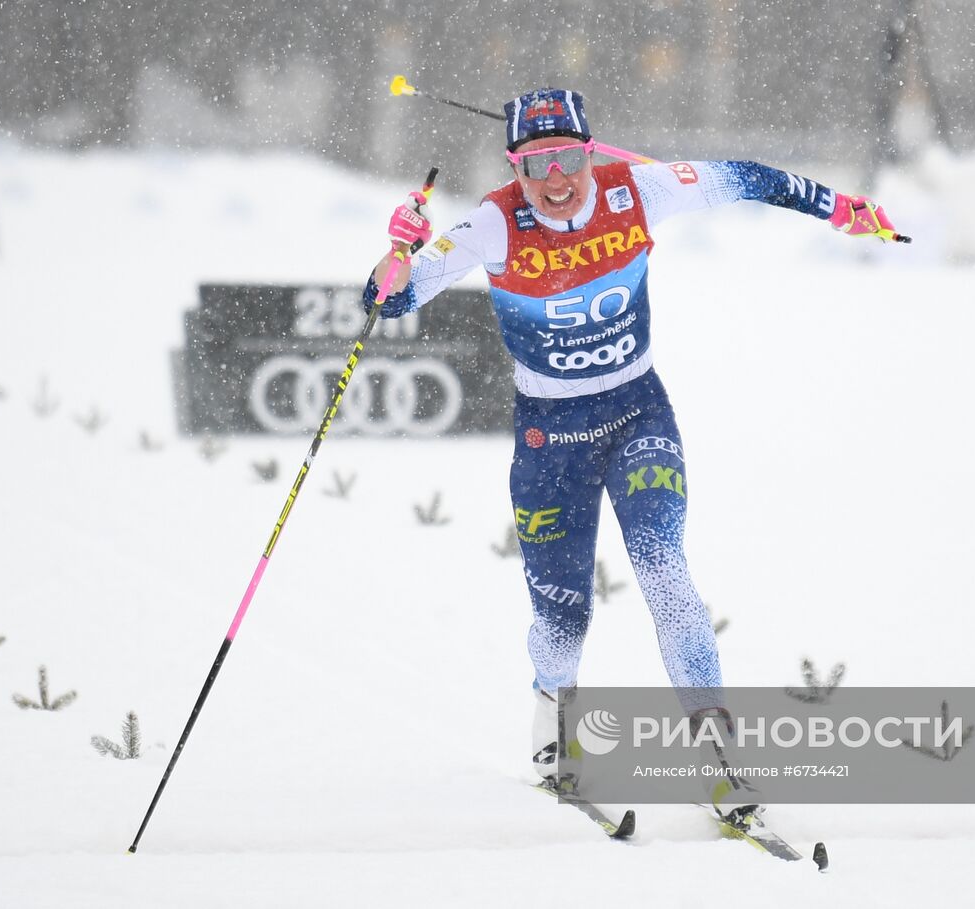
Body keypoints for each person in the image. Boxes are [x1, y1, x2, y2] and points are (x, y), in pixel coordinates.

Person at [365, 88, 901, 818]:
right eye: (535, 165)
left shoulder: (637, 190)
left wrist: (839, 208)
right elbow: (389, 301)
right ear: (513, 168)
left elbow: (747, 176)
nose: (555, 180)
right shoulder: (492, 222)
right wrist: (400, 249)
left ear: (592, 151)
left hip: (634, 414)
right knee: (562, 615)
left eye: (569, 159)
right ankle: (554, 731)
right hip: (549, 438)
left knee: (663, 567)